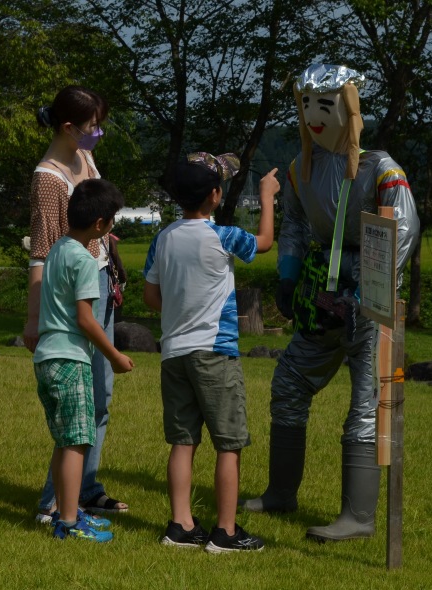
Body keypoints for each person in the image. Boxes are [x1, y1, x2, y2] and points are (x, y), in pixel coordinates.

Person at [240, 63, 420, 543]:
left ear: (349, 108)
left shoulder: (383, 170)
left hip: (369, 301)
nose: (314, 117)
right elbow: (297, 225)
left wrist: (375, 285)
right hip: (321, 293)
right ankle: (281, 492)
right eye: (306, 106)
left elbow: (402, 229)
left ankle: (358, 516)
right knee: (289, 383)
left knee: (365, 402)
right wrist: (288, 274)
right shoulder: (302, 168)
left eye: (325, 105)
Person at [143, 152, 279, 553]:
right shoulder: (223, 236)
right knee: (228, 444)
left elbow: (151, 296)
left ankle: (181, 525)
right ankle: (226, 532)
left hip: (174, 352)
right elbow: (265, 242)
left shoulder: (162, 238)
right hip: (215, 352)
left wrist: (180, 308)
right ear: (215, 195)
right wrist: (267, 196)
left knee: (183, 441)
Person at [23, 85, 129, 521]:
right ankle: (55, 502)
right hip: (74, 289)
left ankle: (86, 487)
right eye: (92, 126)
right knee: (78, 399)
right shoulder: (48, 178)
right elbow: (42, 250)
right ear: (68, 127)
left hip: (100, 277)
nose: (97, 133)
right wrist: (34, 318)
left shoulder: (84, 156)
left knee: (100, 395)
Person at [33, 177, 134, 542]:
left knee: (65, 441)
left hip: (46, 357)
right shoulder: (86, 260)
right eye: (112, 219)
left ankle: (63, 511)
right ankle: (70, 521)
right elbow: (86, 320)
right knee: (77, 441)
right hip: (71, 359)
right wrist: (115, 355)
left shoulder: (58, 249)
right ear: (100, 224)